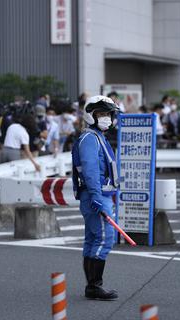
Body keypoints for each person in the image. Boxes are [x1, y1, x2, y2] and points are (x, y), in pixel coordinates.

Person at [72, 95, 119, 301]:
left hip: (96, 195)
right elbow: (90, 171)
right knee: (104, 238)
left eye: (108, 114)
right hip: (95, 197)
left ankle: (92, 286)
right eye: (101, 113)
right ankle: (94, 286)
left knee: (92, 239)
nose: (106, 117)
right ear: (91, 115)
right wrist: (97, 197)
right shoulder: (90, 138)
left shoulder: (95, 136)